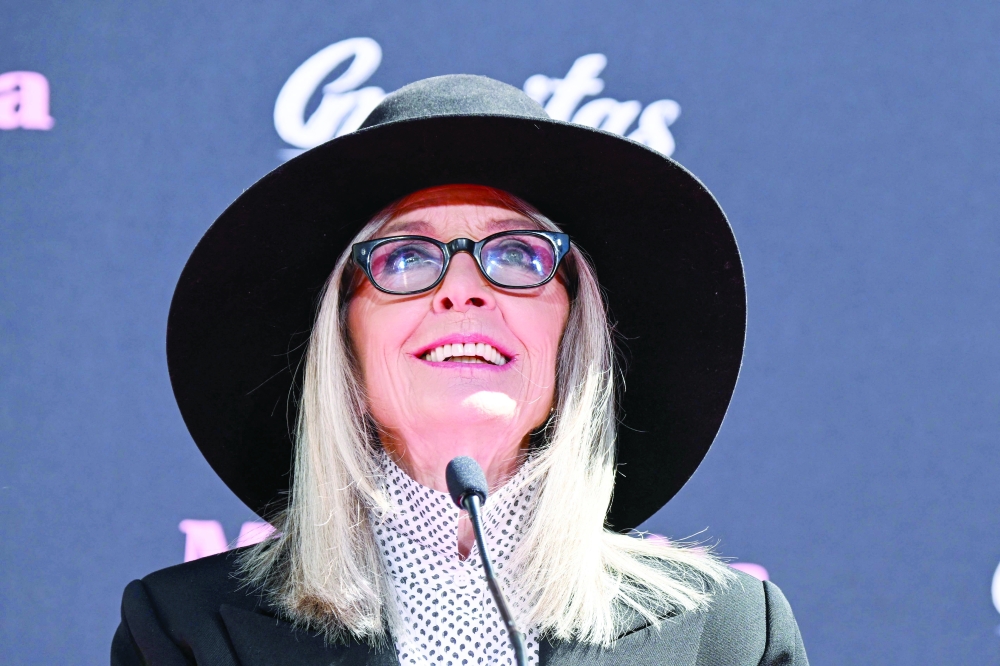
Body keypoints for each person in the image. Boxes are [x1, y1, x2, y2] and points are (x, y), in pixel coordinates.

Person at [112, 75, 808, 665]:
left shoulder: (730, 635)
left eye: (517, 254)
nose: (464, 289)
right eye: (406, 259)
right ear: (344, 345)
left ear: (571, 333)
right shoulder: (184, 631)